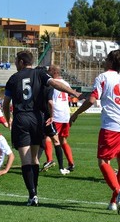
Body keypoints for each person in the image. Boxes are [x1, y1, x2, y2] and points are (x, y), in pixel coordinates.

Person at [3, 50, 81, 206]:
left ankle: (32, 195)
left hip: (21, 119)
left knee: (25, 159)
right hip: (37, 119)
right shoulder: (40, 74)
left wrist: (8, 119)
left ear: (20, 62)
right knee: (35, 158)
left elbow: (5, 104)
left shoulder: (13, 78)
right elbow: (55, 83)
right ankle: (35, 193)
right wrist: (72, 91)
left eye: (15, 61)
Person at [70, 49, 120, 212]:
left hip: (111, 126)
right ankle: (113, 202)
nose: (104, 61)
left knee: (104, 162)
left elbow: (92, 99)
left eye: (106, 59)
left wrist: (76, 113)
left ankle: (118, 192)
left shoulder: (103, 77)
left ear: (111, 62)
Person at [36, 67, 70, 175]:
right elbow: (50, 103)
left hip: (35, 117)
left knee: (40, 141)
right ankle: (61, 167)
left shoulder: (34, 86)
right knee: (56, 141)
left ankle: (33, 164)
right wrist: (51, 116)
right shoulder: (49, 86)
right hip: (47, 117)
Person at [47, 65, 75, 172]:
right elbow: (69, 97)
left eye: (49, 69)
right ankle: (71, 162)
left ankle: (49, 160)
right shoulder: (66, 83)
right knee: (63, 140)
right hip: (65, 114)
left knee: (48, 137)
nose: (48, 71)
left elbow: (51, 99)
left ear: (54, 72)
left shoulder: (52, 82)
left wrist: (51, 115)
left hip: (56, 114)